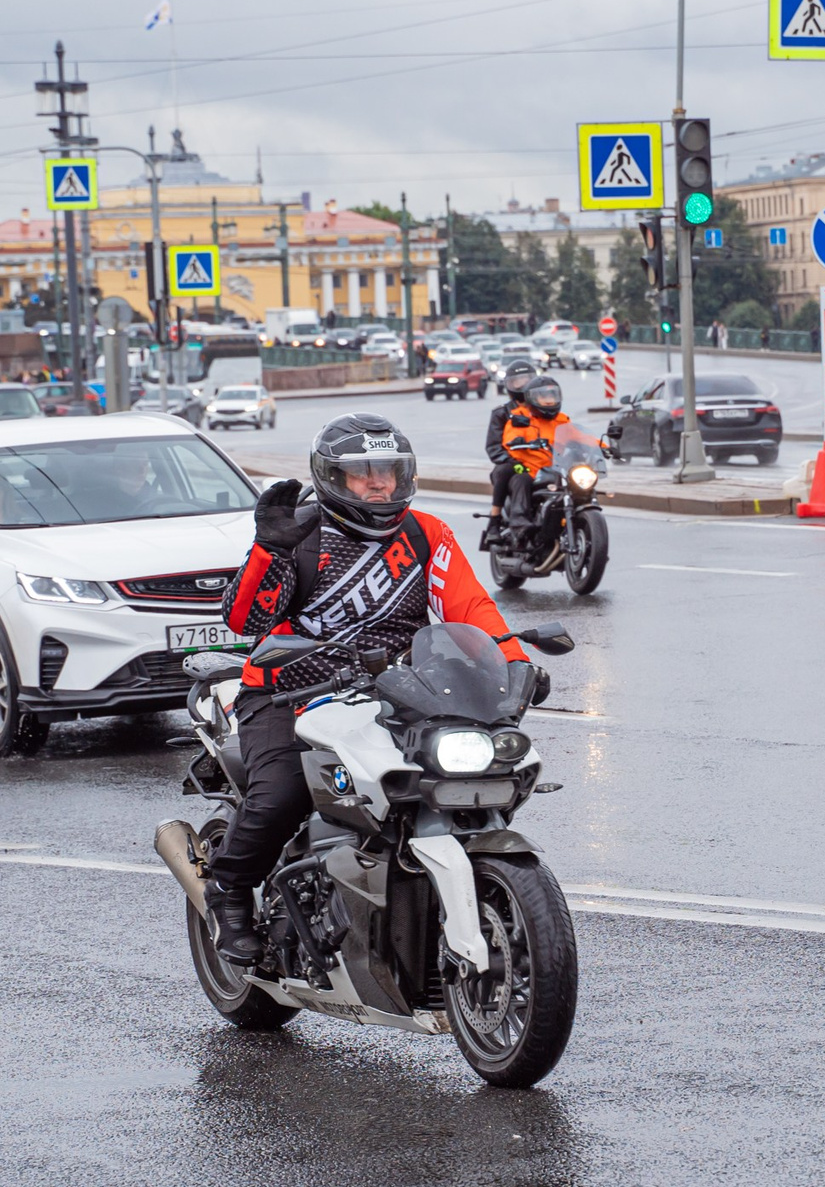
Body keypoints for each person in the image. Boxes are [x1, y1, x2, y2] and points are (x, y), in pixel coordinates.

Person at [206, 414, 537, 965]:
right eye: (364, 474)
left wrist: (515, 666)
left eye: (389, 470)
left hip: (397, 691)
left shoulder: (425, 532)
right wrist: (270, 550)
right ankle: (230, 892)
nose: (380, 483)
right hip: (290, 692)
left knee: (465, 774)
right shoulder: (301, 532)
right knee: (282, 795)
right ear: (334, 478)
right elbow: (244, 619)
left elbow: (471, 608)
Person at [482, 374, 567, 547]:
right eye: (517, 381)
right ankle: (498, 520)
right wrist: (514, 455)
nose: (521, 385)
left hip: (548, 467)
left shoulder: (557, 418)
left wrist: (603, 446)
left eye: (526, 380)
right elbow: (499, 444)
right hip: (516, 464)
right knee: (512, 474)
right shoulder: (512, 415)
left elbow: (576, 436)